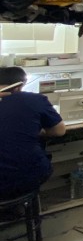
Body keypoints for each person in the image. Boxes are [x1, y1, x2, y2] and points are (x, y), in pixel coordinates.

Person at [0, 67, 66, 200]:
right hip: (30, 173)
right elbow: (59, 131)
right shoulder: (34, 100)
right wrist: (35, 130)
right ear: (19, 86)